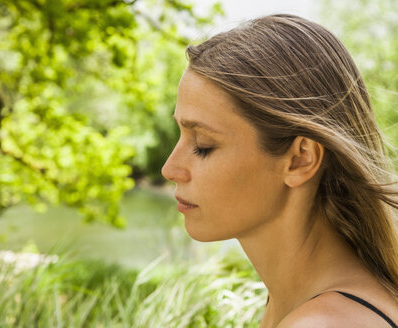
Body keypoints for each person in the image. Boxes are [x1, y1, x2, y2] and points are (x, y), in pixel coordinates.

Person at [161, 14, 398, 327]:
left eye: (203, 144)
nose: (169, 169)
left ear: (301, 159)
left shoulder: (322, 323)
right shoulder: (302, 302)